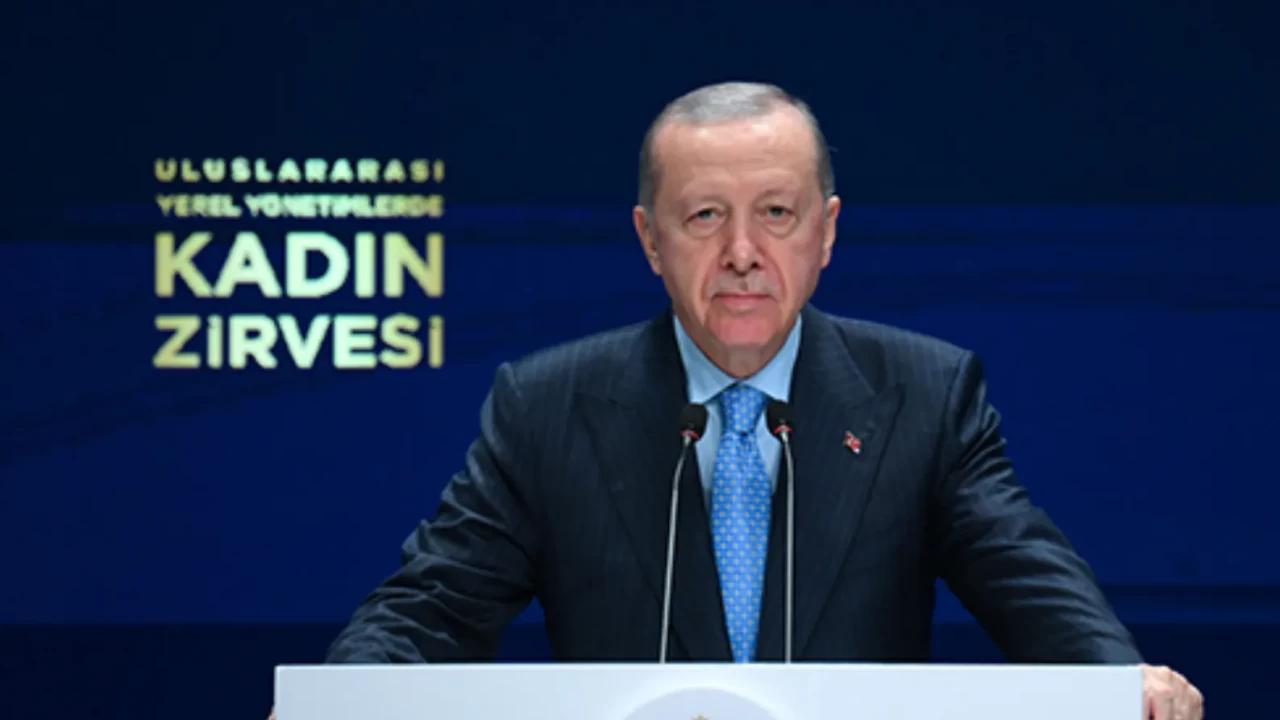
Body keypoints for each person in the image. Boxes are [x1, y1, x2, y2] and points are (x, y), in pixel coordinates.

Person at [318, 82, 1205, 719]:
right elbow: (430, 609)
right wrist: (339, 700)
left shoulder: (924, 396)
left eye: (776, 213)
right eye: (705, 216)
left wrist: (1115, 683)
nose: (742, 252)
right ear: (650, 240)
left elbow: (1028, 580)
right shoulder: (548, 407)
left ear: (827, 232)